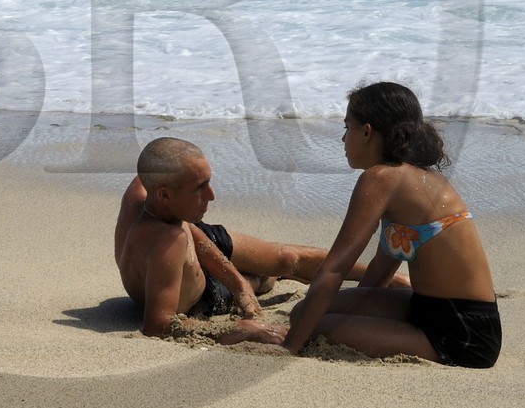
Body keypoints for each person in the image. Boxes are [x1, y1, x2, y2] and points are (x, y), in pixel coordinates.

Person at [267, 81, 501, 367]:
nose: (343, 139)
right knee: (303, 313)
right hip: (428, 308)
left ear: (366, 132)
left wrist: (290, 345)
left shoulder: (379, 178)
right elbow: (378, 276)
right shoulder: (408, 178)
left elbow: (336, 267)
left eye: (346, 127)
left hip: (463, 334)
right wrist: (351, 317)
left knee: (314, 325)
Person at [115, 136, 394, 341]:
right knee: (263, 279)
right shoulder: (167, 241)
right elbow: (158, 323)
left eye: (208, 182)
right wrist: (242, 329)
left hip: (189, 234)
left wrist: (237, 285)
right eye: (200, 188)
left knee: (285, 258)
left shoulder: (145, 189)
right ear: (164, 194)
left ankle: (398, 280)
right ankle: (265, 279)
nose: (212, 195)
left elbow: (186, 227)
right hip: (201, 294)